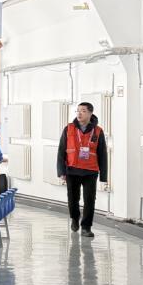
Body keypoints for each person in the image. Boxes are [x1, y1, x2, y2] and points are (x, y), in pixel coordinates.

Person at [56, 101, 108, 237]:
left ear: (90, 113)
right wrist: (61, 171)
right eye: (78, 110)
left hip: (90, 171)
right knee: (73, 199)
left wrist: (104, 176)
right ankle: (74, 218)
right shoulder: (69, 129)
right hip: (72, 169)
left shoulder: (98, 131)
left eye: (83, 111)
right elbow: (61, 151)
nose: (79, 113)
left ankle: (86, 227)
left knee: (90, 200)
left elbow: (102, 154)